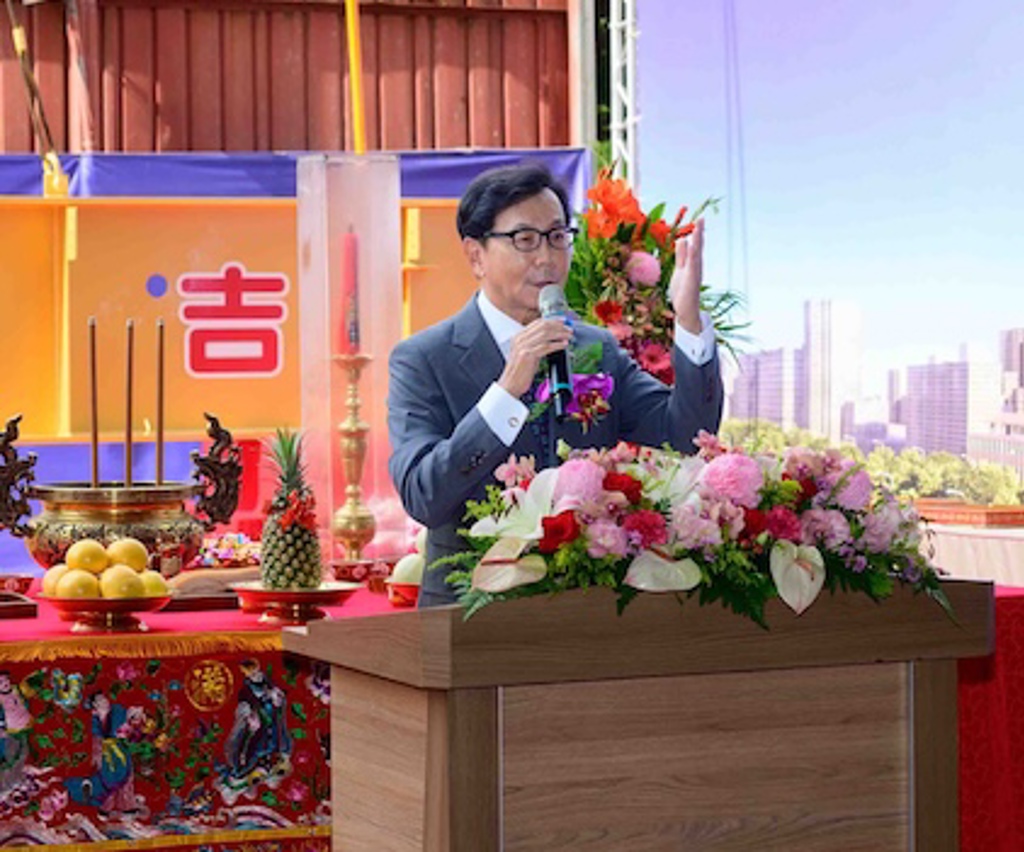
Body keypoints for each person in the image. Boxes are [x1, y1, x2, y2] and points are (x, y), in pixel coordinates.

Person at [388, 163, 723, 607]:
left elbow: (686, 436)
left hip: (583, 610)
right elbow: (424, 496)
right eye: (525, 239)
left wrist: (688, 319)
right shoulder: (424, 359)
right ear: (475, 255)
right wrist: (507, 391)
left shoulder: (595, 348)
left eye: (557, 236)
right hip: (469, 613)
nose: (546, 257)